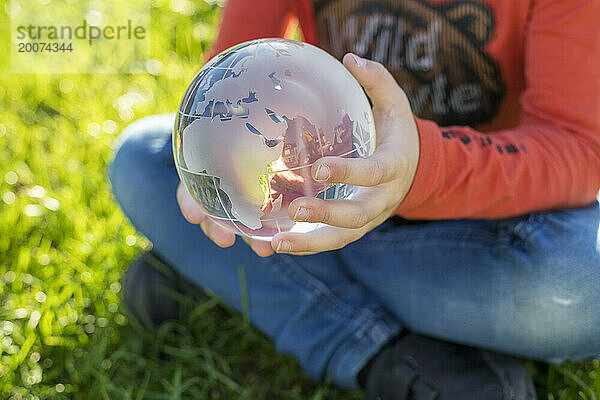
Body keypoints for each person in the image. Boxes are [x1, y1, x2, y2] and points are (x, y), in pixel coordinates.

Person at [109, 0, 600, 398]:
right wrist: (220, 164)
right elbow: (232, 76)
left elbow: (575, 148)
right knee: (139, 160)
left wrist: (417, 171)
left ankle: (244, 282)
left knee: (583, 285)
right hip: (318, 202)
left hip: (477, 220)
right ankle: (380, 353)